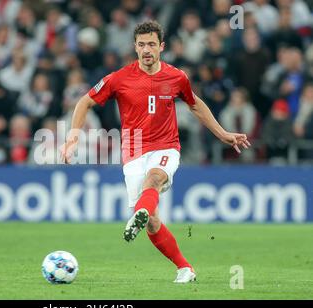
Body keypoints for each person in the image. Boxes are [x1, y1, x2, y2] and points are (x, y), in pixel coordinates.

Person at [59, 21, 251, 284]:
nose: (146, 50)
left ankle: (139, 212)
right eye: (141, 45)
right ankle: (184, 267)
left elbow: (195, 105)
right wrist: (73, 136)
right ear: (134, 47)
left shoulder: (176, 77)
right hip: (133, 153)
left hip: (166, 146)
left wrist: (222, 133)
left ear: (161, 46)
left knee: (155, 180)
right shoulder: (119, 78)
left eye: (151, 44)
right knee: (152, 221)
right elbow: (85, 101)